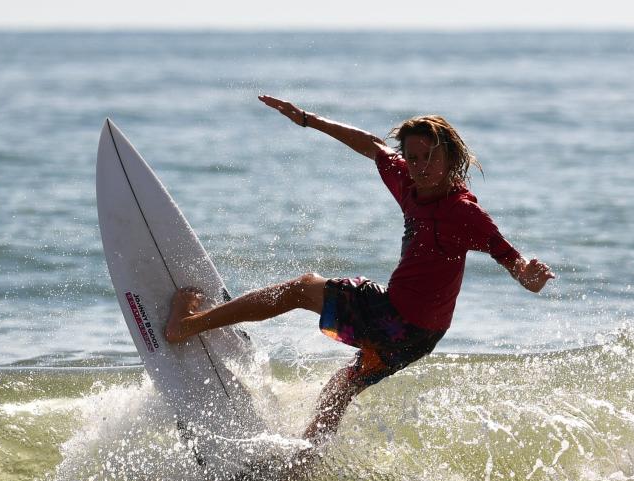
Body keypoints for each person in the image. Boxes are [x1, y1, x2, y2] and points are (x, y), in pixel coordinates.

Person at [166, 95, 555, 446]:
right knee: (339, 390)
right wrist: (307, 119)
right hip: (419, 337)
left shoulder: (463, 212)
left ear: (451, 159)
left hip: (397, 320)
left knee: (301, 289)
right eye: (414, 157)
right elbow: (371, 145)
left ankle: (189, 324)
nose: (420, 167)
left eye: (430, 158)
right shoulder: (408, 183)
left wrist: (526, 274)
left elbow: (505, 253)